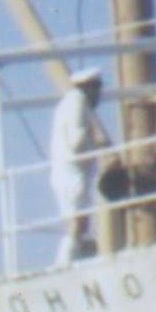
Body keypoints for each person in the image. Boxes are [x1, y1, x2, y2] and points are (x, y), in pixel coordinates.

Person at [47, 71, 105, 262]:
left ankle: (74, 256)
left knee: (79, 221)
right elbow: (77, 141)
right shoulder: (77, 101)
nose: (100, 95)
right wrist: (98, 142)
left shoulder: (69, 103)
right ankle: (65, 261)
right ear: (90, 87)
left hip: (67, 171)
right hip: (72, 171)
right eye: (97, 89)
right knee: (77, 222)